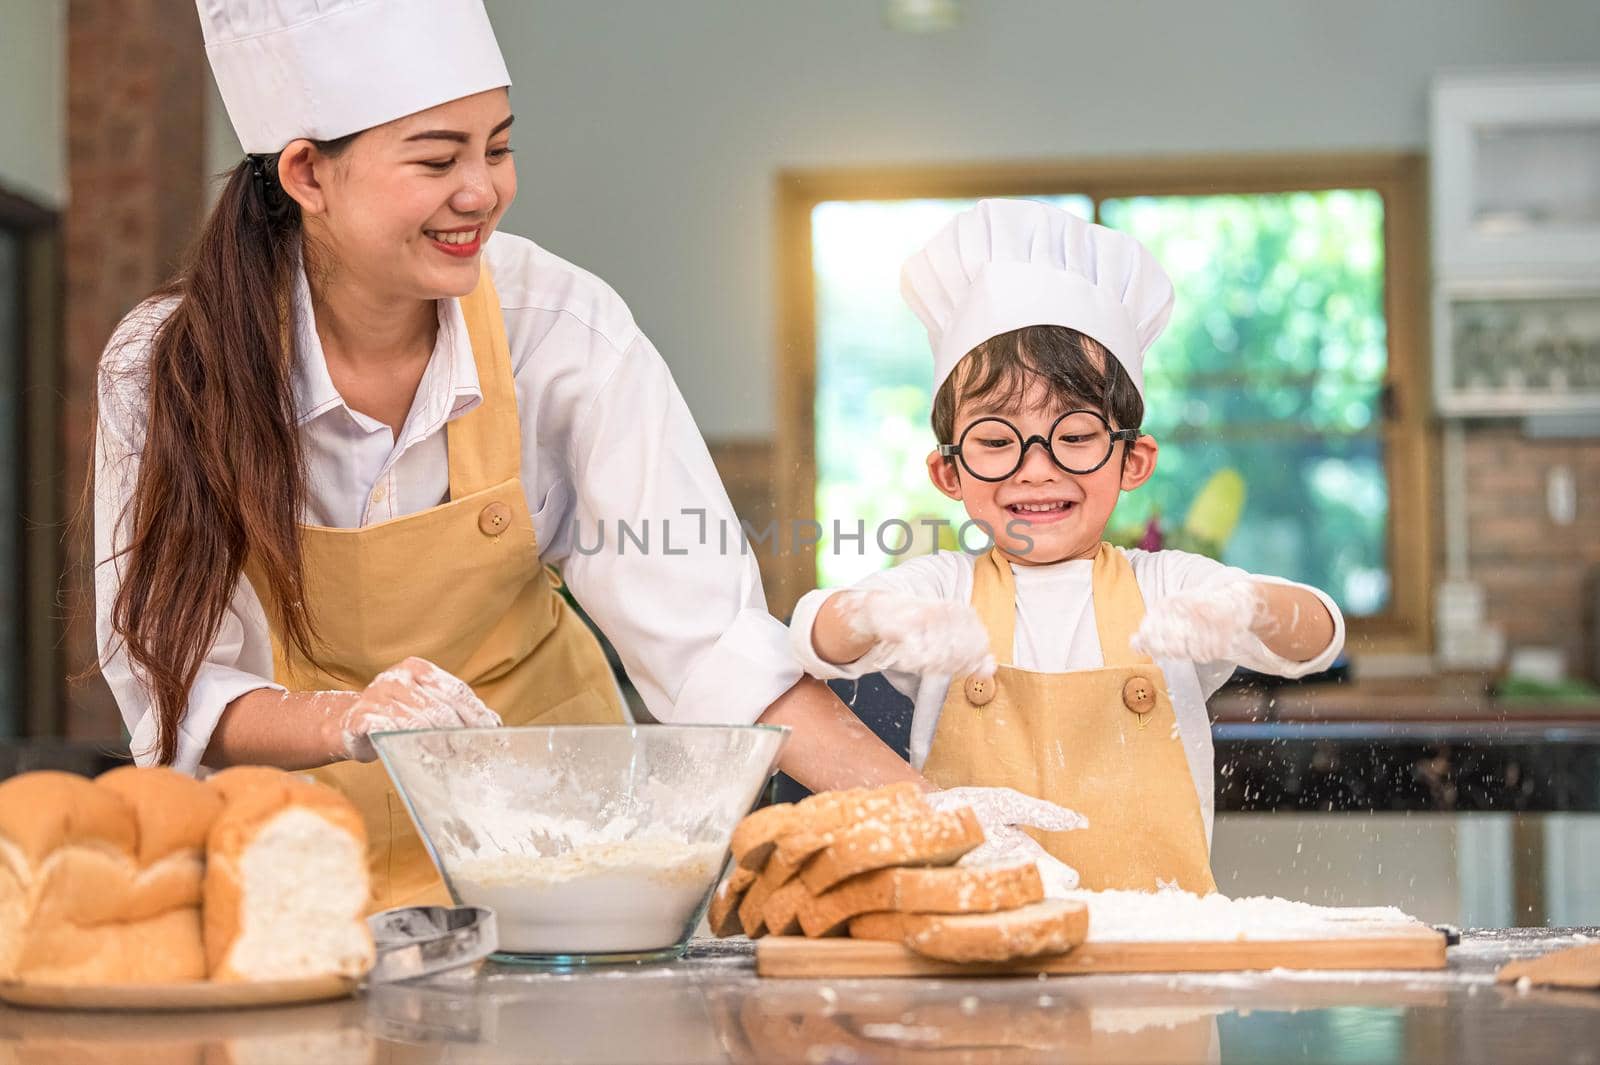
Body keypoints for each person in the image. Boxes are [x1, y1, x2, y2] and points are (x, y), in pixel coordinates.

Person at [94, 0, 922, 910]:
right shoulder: (170, 367)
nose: (482, 189)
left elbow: (709, 641)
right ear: (307, 174)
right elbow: (182, 684)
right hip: (300, 864)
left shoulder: (558, 331)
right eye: (438, 158)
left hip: (557, 852)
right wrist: (350, 718)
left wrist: (932, 814)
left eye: (497, 148)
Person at [790, 199, 1346, 893]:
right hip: (981, 949)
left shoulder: (1167, 588)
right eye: (996, 440)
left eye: (1075, 435)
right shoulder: (942, 593)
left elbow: (1318, 633)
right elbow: (815, 633)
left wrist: (1251, 608)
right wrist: (872, 617)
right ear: (949, 472)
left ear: (1134, 460)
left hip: (1158, 961)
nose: (1036, 466)